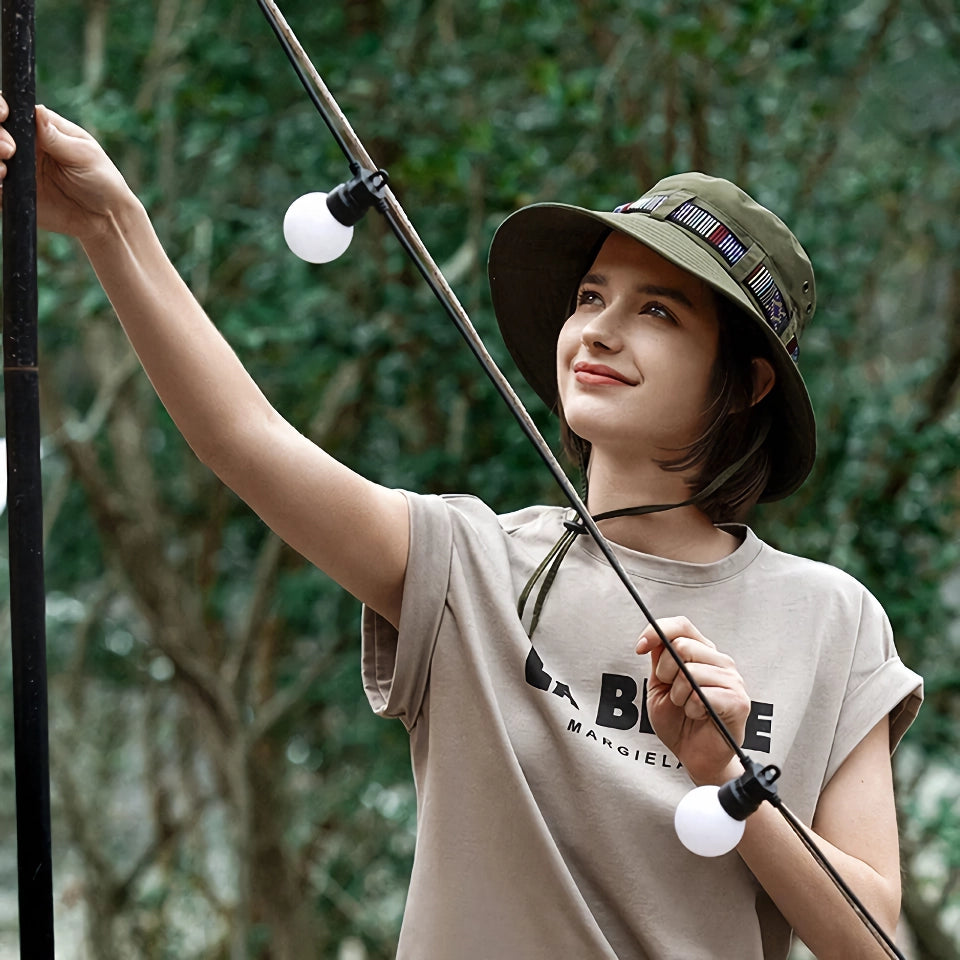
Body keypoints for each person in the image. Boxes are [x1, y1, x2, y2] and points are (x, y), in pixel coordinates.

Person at [0, 97, 923, 959]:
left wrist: (726, 772)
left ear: (748, 380)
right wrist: (112, 226)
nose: (598, 331)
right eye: (592, 297)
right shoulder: (468, 561)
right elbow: (246, 440)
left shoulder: (831, 622)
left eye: (657, 311)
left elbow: (873, 940)